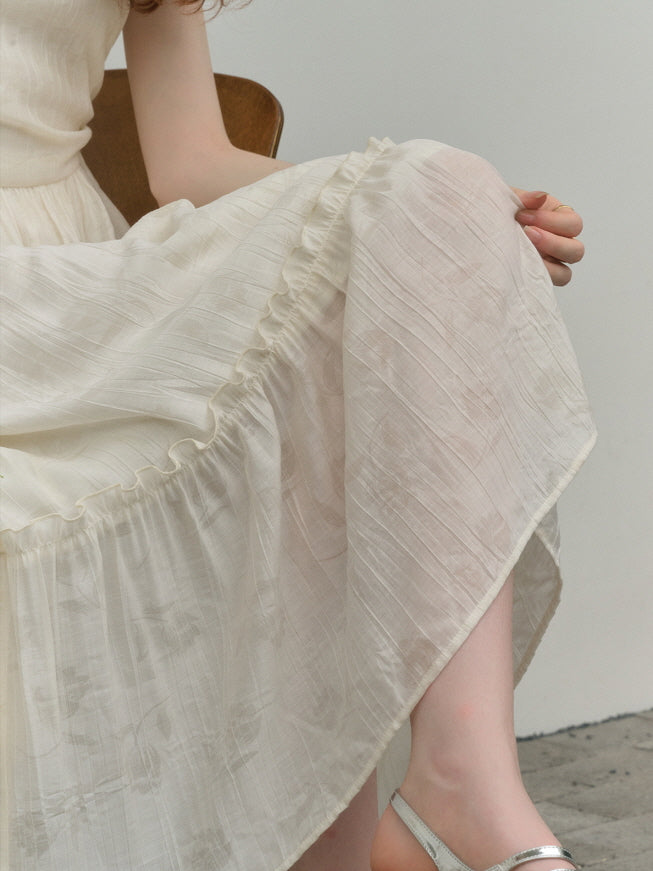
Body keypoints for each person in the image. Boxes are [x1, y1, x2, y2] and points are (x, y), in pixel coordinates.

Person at [0, 1, 596, 870]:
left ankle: (464, 782)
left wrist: (454, 227)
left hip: (76, 295)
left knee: (440, 190)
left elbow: (190, 162)